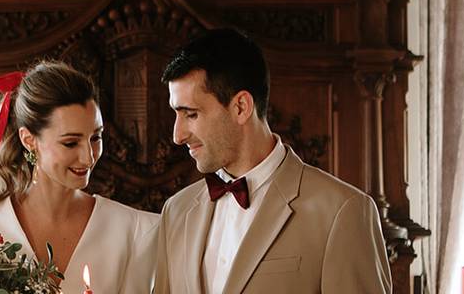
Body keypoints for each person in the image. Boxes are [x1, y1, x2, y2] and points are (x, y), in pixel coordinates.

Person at [153, 28, 392, 294]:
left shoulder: (342, 212)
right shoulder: (176, 211)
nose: (177, 135)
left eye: (191, 114)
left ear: (241, 107)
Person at [0, 61, 158, 294]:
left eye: (95, 138)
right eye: (70, 142)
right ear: (29, 140)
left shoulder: (135, 231)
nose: (88, 158)